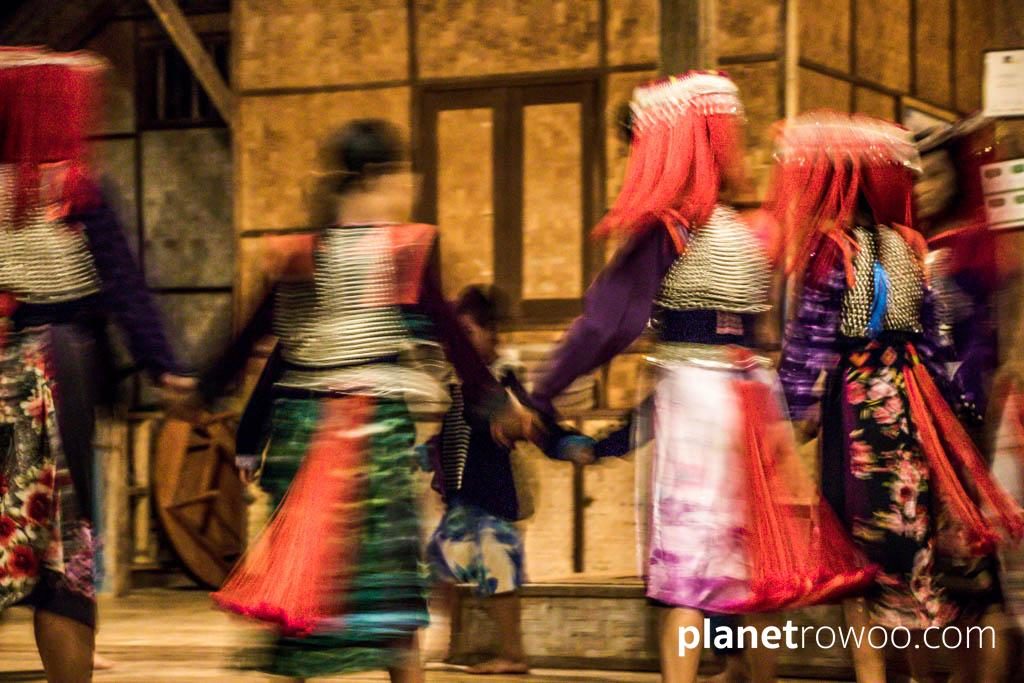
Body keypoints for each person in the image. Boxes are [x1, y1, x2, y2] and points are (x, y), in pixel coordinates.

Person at [524, 72, 876, 683]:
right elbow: (764, 334)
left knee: (687, 573)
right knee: (747, 566)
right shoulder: (743, 232)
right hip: (750, 395)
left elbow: (605, 326)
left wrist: (539, 393)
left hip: (695, 400)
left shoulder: (669, 230)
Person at [201, 120, 530, 683]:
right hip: (372, 439)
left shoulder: (300, 251)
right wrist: (498, 402)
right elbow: (451, 334)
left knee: (303, 600)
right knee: (394, 607)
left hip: (303, 433)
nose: (409, 183)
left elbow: (254, 339)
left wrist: (199, 390)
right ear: (381, 176)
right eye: (403, 172)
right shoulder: (404, 249)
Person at [774, 111, 1024, 682]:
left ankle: (874, 677)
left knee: (858, 559)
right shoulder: (909, 247)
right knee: (908, 546)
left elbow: (810, 341)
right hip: (910, 407)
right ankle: (909, 674)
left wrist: (793, 415)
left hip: (857, 407)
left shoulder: (830, 249)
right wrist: (947, 418)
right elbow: (933, 343)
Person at [0, 47, 192, 683]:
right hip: (56, 373)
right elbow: (124, 287)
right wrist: (164, 365)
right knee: (61, 552)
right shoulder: (75, 191)